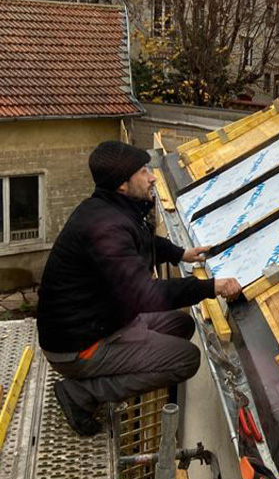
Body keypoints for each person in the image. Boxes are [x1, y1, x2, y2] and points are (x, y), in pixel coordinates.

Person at [37, 141, 242, 437]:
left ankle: (118, 366)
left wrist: (180, 253)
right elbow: (146, 294)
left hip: (100, 322)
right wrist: (210, 286)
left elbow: (142, 241)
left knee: (182, 324)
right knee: (187, 358)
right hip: (78, 347)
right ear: (123, 184)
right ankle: (81, 393)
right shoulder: (106, 229)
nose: (153, 177)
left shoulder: (110, 209)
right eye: (144, 171)